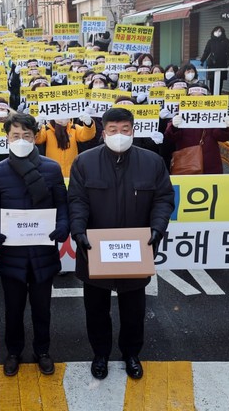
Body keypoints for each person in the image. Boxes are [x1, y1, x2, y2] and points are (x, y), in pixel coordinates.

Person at [68, 107, 174, 380]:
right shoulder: (84, 162)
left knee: (134, 311)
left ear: (133, 131)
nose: (119, 135)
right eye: (113, 130)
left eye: (125, 130)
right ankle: (100, 354)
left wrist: (157, 228)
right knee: (96, 310)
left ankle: (131, 354)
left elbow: (163, 199)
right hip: (94, 250)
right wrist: (78, 231)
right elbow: (77, 200)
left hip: (136, 251)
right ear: (103, 133)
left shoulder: (152, 162)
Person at [0, 113, 69, 377]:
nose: (21, 140)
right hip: (12, 252)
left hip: (43, 251)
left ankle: (42, 351)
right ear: (6, 138)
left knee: (42, 309)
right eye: (15, 135)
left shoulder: (51, 168)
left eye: (26, 135)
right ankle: (13, 352)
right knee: (13, 309)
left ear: (35, 137)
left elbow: (62, 204)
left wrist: (63, 226)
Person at [165, 82, 229, 174]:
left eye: (200, 96)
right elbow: (170, 137)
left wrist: (225, 127)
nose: (196, 98)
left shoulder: (214, 115)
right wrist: (174, 126)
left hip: (210, 163)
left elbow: (222, 137)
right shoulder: (180, 115)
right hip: (186, 162)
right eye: (192, 96)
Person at [200, 26, 229, 94]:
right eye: (216, 31)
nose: (218, 32)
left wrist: (228, 60)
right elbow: (206, 52)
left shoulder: (226, 41)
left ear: (222, 32)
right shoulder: (210, 41)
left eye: (219, 31)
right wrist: (202, 60)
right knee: (212, 80)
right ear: (213, 32)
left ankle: (218, 94)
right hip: (212, 63)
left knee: (220, 81)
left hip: (222, 63)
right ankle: (212, 94)